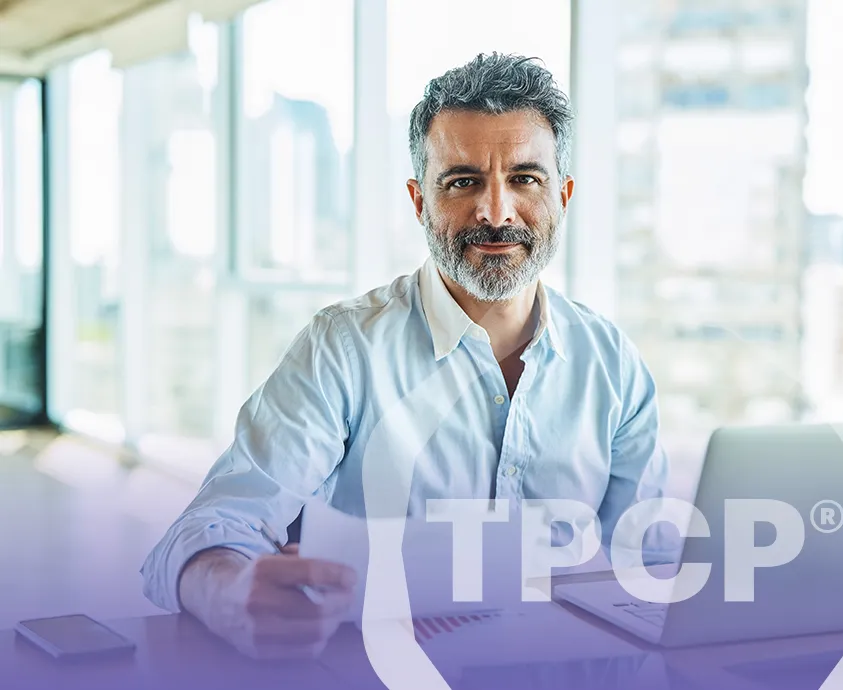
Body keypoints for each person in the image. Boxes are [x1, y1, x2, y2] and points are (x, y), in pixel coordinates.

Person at [141, 53, 674, 660]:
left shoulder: (613, 363)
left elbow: (649, 561)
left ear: (564, 195)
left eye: (525, 178)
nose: (495, 212)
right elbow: (211, 527)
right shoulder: (344, 349)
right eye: (462, 180)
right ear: (420, 201)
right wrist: (227, 590)